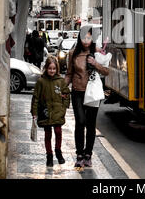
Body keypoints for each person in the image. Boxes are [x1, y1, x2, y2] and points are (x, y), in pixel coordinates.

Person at [65, 26, 109, 168]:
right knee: (80, 122)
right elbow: (69, 74)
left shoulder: (96, 53)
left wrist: (95, 63)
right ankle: (79, 154)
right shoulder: (73, 53)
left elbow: (106, 72)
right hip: (77, 91)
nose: (86, 40)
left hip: (93, 93)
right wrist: (61, 86)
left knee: (90, 125)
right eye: (84, 37)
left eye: (89, 38)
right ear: (79, 38)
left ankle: (88, 154)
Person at [31, 56, 70, 167]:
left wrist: (64, 107)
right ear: (46, 68)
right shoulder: (41, 82)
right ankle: (49, 155)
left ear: (57, 69)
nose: (52, 71)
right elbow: (36, 98)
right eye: (50, 68)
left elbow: (66, 94)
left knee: (58, 132)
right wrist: (34, 112)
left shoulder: (61, 81)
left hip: (58, 112)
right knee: (48, 134)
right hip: (45, 112)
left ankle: (58, 151)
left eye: (54, 68)